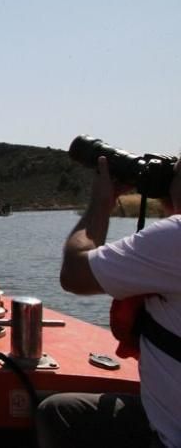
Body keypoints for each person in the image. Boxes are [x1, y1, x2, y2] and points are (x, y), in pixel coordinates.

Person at [36, 155, 181, 447]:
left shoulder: (174, 237)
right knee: (63, 411)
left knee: (58, 415)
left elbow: (75, 274)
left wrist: (102, 203)